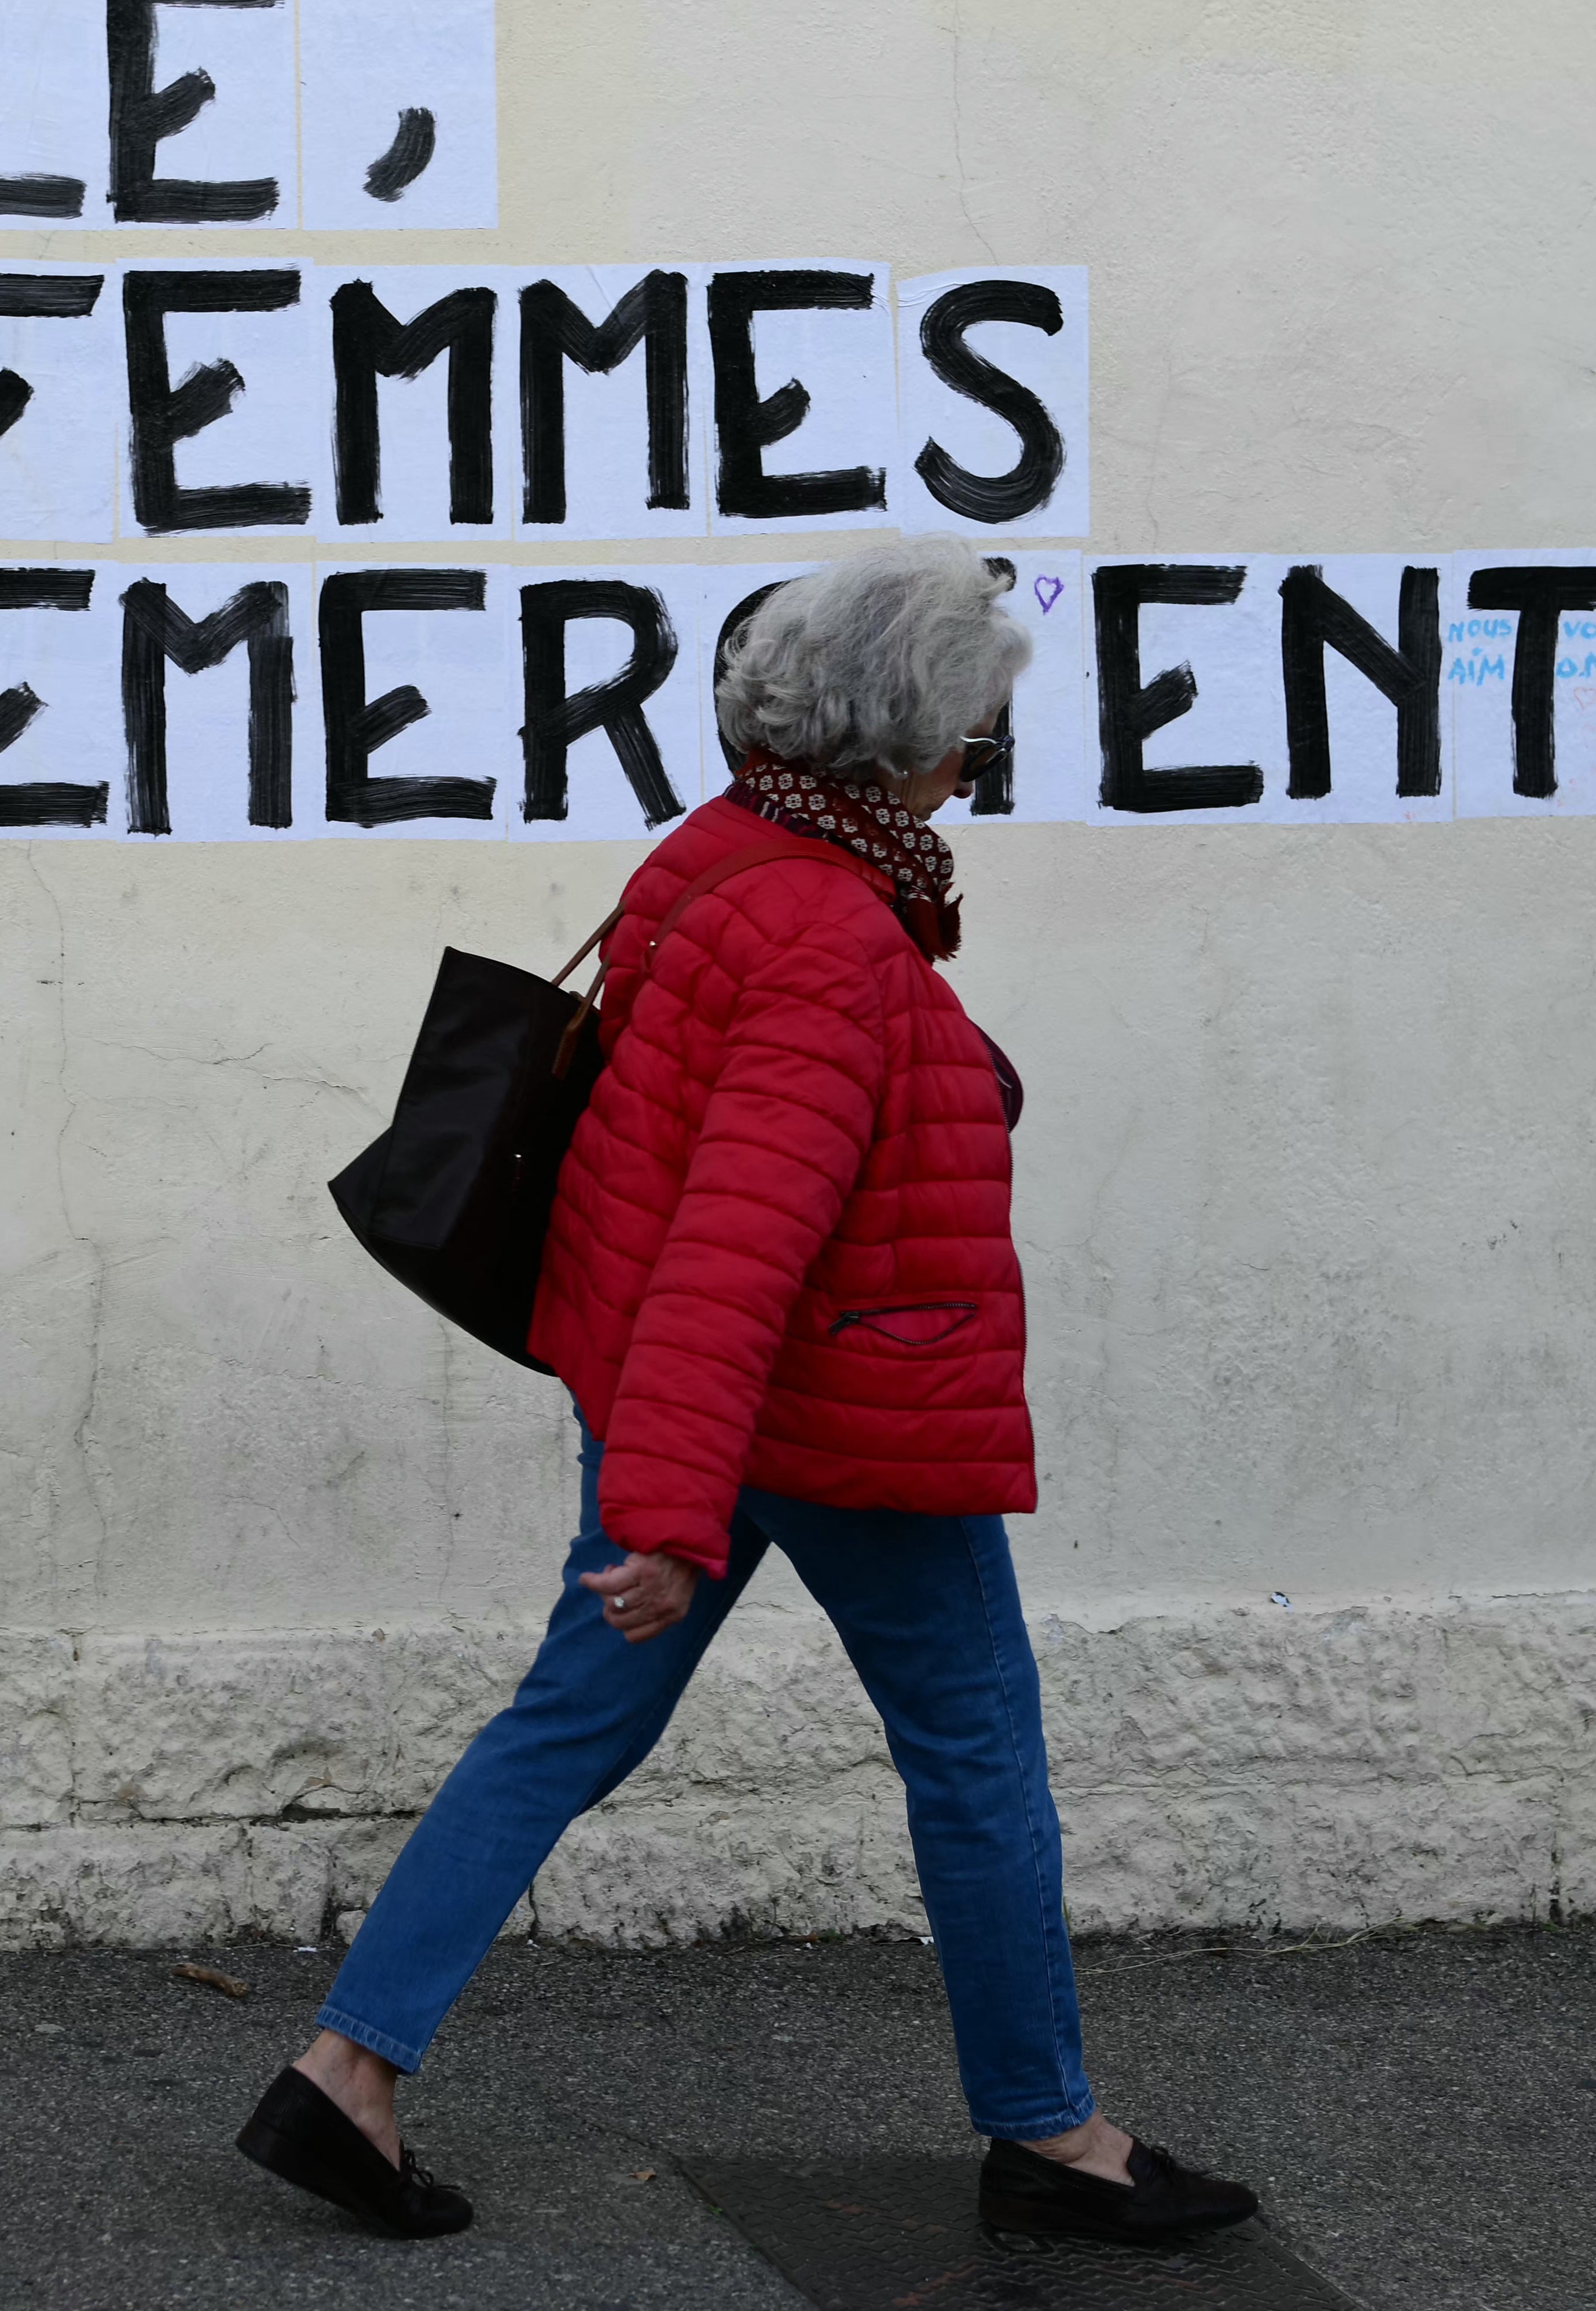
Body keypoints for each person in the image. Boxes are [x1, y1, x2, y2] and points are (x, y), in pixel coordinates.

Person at [236, 536, 1263, 2247]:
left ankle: (349, 2067)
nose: (978, 764)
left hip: (686, 1396)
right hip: (827, 1413)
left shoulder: (731, 855)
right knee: (980, 1749)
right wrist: (665, 1508)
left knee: (572, 1717)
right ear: (902, 741)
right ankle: (1052, 2133)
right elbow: (739, 1234)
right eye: (973, 735)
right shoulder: (826, 937)